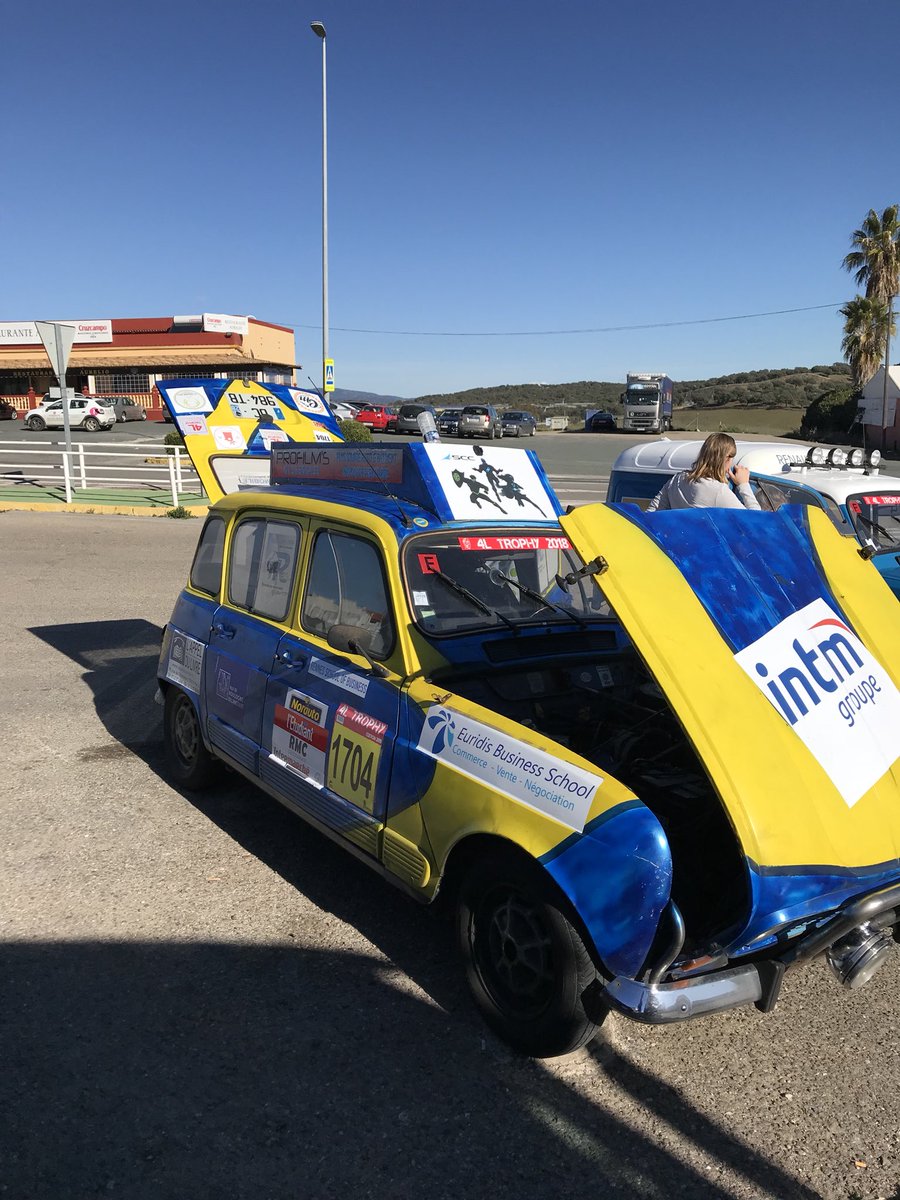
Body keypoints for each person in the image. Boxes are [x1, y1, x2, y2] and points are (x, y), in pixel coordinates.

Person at [646, 433, 761, 511]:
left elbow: (652, 511)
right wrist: (744, 485)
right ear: (726, 458)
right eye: (731, 459)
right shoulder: (718, 491)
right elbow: (756, 520)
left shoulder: (677, 479)